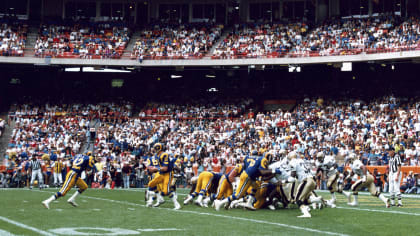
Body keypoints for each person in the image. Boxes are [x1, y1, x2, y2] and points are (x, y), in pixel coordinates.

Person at [145, 143, 181, 210]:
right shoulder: (156, 155)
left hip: (167, 173)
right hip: (161, 173)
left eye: (155, 148)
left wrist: (155, 168)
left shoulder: (164, 154)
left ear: (158, 148)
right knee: (151, 184)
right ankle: (160, 198)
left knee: (165, 191)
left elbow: (165, 168)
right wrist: (152, 168)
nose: (154, 150)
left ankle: (177, 204)